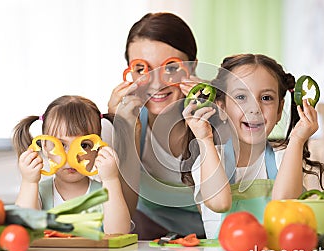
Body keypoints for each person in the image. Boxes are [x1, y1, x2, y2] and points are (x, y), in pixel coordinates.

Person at [183, 54, 324, 238]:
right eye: (241, 97)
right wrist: (204, 139)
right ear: (222, 108)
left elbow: (284, 203)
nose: (255, 108)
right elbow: (220, 203)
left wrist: (297, 140)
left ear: (280, 109)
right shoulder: (209, 158)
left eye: (266, 98)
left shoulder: (287, 157)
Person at [107, 12, 205, 239]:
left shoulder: (220, 116)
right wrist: (124, 131)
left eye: (170, 68)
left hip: (215, 235)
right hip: (147, 236)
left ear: (193, 67)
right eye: (142, 69)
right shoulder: (127, 119)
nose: (155, 82)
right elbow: (125, 216)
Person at [12, 95, 131, 234]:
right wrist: (29, 182)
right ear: (44, 146)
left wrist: (111, 180)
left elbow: (119, 234)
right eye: (61, 145)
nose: (71, 157)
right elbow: (22, 232)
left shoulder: (105, 193)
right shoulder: (37, 192)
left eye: (84, 145)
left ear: (98, 148)